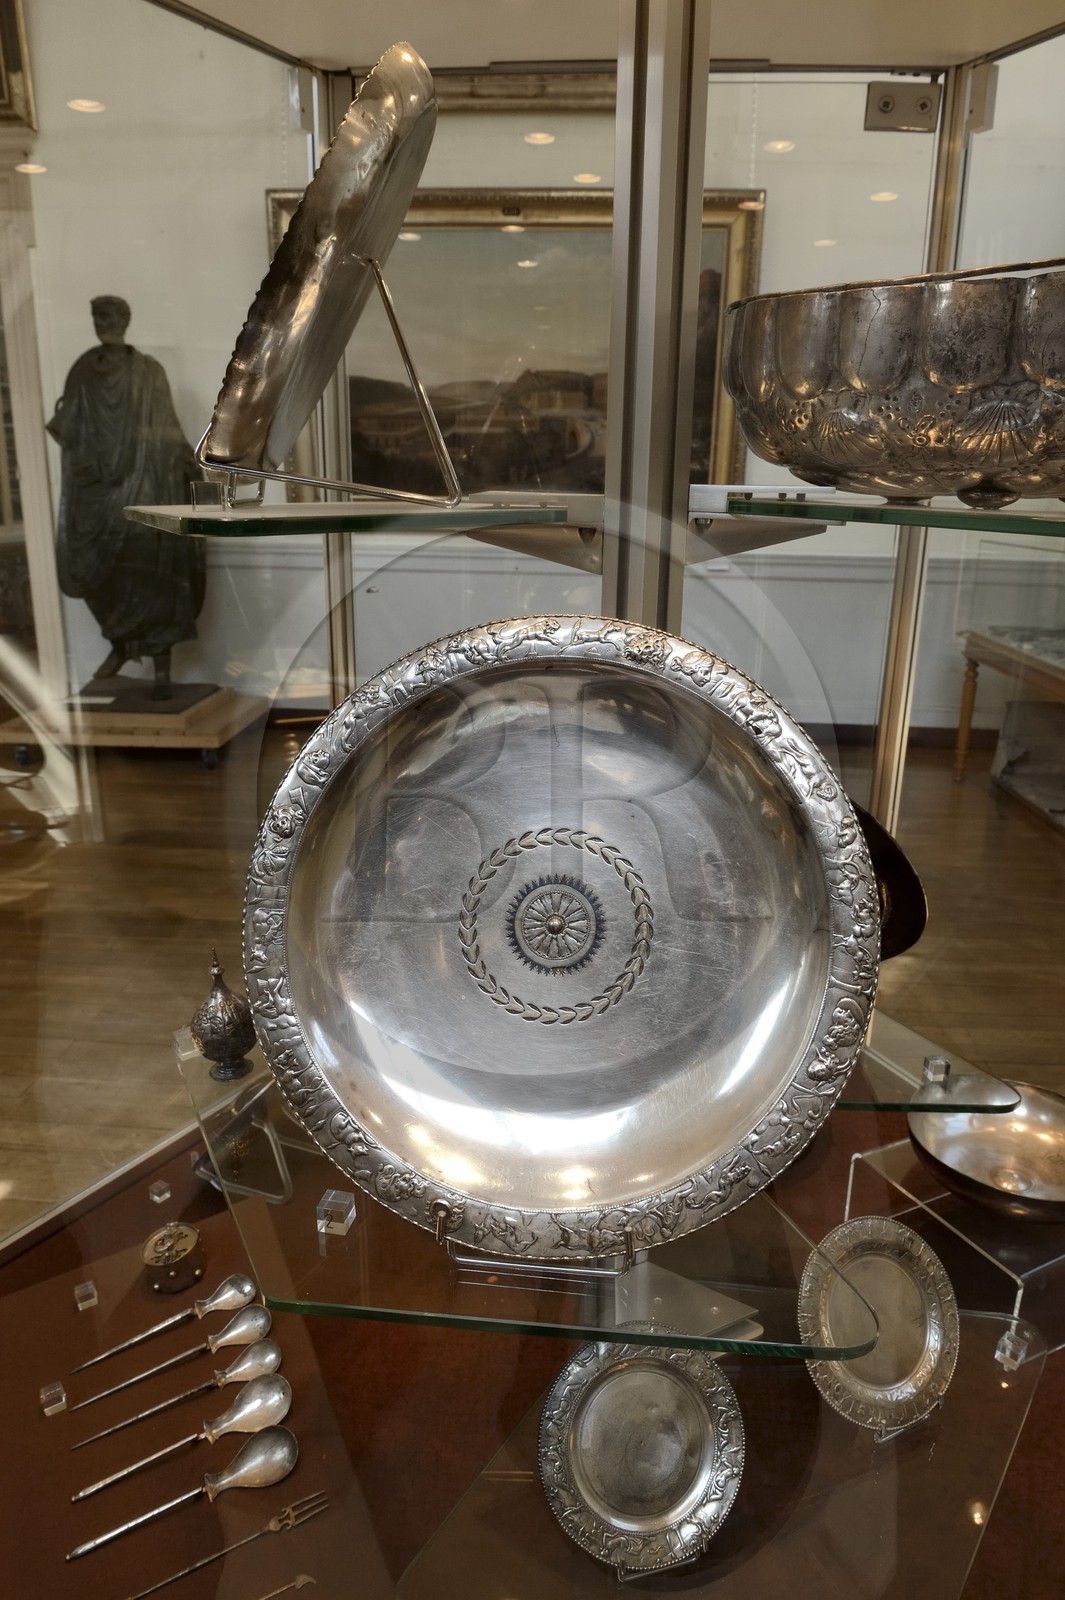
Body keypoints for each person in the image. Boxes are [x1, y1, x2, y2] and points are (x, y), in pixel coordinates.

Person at [47, 296, 204, 699]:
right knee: (102, 578)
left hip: (142, 483)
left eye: (111, 315)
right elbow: (69, 430)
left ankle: (161, 669)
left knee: (152, 576)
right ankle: (118, 645)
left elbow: (166, 427)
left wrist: (190, 463)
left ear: (126, 320)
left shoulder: (148, 372)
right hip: (96, 493)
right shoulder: (82, 371)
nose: (104, 322)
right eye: (98, 316)